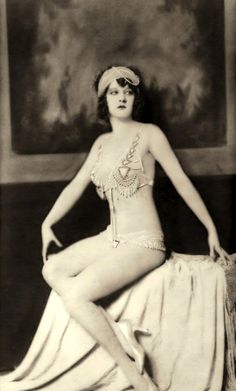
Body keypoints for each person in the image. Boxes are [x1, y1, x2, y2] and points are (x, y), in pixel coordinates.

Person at [41, 66, 229, 391]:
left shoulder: (150, 134)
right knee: (52, 269)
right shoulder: (101, 143)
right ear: (104, 100)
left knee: (76, 295)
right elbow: (75, 186)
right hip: (111, 239)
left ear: (135, 98)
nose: (122, 97)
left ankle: (133, 373)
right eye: (114, 92)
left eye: (128, 91)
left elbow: (182, 182)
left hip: (144, 243)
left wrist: (211, 229)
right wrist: (47, 223)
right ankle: (120, 332)